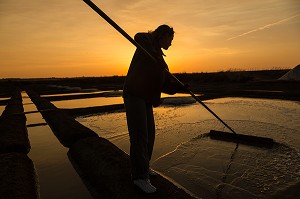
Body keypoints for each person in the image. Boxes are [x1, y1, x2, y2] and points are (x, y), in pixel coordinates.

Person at [123, 24, 187, 193]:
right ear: (162, 35)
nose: (171, 44)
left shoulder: (161, 61)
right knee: (140, 135)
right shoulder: (146, 44)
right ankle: (139, 177)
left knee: (150, 135)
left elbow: (164, 85)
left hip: (146, 99)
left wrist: (181, 88)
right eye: (170, 39)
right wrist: (152, 49)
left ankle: (145, 167)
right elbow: (137, 35)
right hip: (134, 94)